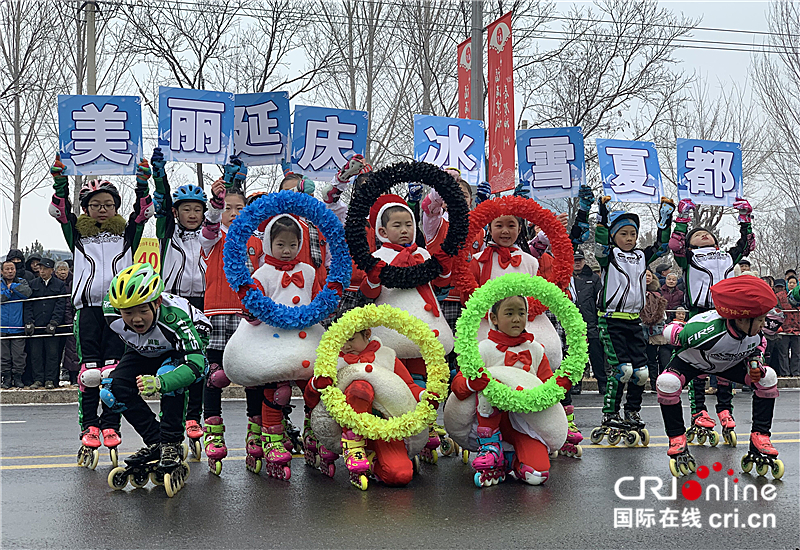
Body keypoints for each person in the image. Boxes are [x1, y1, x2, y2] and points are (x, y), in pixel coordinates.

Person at [48, 155, 153, 455]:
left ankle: (111, 425)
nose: (102, 209)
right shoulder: (78, 236)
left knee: (114, 372)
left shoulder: (127, 235)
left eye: (108, 204)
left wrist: (143, 182)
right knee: (89, 372)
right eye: (95, 205)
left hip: (120, 311)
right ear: (86, 209)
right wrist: (60, 179)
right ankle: (89, 426)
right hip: (88, 312)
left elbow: (143, 211)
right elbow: (60, 210)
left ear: (116, 207)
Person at [359, 194, 454, 460]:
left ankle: (428, 424)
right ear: (382, 230)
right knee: (402, 383)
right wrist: (376, 277)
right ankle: (408, 428)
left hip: (427, 326)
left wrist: (444, 268)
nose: (404, 230)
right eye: (397, 225)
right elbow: (369, 293)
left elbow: (440, 285)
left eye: (408, 225)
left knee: (429, 382)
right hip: (393, 333)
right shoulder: (377, 257)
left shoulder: (423, 254)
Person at [102, 263, 210, 493]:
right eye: (128, 312)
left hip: (179, 346)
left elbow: (198, 366)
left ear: (157, 302)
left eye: (142, 310)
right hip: (145, 348)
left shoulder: (175, 318)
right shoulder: (109, 313)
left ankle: (171, 441)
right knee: (111, 390)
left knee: (169, 376)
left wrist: (162, 383)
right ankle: (156, 441)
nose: (136, 319)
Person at [658, 276, 781, 476]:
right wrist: (677, 329)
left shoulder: (755, 332)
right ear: (742, 318)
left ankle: (761, 435)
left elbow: (758, 346)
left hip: (727, 364)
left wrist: (755, 363)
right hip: (692, 362)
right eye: (759, 320)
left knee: (768, 377)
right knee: (667, 382)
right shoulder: (707, 331)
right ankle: (677, 437)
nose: (762, 325)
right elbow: (670, 332)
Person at [449, 296, 572, 486]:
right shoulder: (482, 349)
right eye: (509, 313)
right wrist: (473, 383)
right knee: (491, 380)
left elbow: (548, 386)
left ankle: (510, 460)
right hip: (490, 419)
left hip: (525, 421)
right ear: (494, 318)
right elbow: (458, 386)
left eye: (521, 313)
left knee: (538, 475)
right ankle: (490, 446)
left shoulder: (536, 350)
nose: (516, 318)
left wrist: (560, 385)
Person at [668, 197, 754, 440]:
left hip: (727, 313)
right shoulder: (688, 257)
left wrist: (745, 218)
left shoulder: (727, 256)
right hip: (700, 313)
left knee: (727, 361)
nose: (704, 235)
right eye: (698, 234)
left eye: (707, 233)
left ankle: (725, 408)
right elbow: (675, 246)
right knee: (699, 364)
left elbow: (746, 245)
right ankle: (698, 411)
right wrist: (683, 218)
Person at [305, 328, 429, 488]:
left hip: (386, 426)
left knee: (400, 475)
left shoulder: (387, 356)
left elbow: (409, 385)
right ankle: (354, 445)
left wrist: (425, 396)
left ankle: (373, 464)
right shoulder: (330, 361)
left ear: (367, 334)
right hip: (346, 428)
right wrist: (315, 384)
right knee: (360, 387)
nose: (346, 346)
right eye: (341, 340)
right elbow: (311, 401)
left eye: (351, 339)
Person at [593, 196, 674, 441]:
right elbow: (599, 241)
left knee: (641, 373)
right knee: (623, 370)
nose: (629, 239)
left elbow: (662, 246)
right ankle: (610, 413)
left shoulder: (640, 256)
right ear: (614, 236)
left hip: (633, 321)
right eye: (623, 234)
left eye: (632, 234)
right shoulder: (608, 256)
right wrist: (602, 212)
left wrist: (665, 217)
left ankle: (632, 412)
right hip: (610, 320)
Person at [199, 174, 264, 474]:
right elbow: (210, 223)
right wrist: (214, 202)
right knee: (214, 376)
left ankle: (256, 429)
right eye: (229, 208)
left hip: (247, 317)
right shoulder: (212, 238)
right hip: (216, 314)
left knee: (253, 376)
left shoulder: (257, 241)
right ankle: (213, 431)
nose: (235, 213)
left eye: (240, 208)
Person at [151, 147, 207, 448]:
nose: (192, 214)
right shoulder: (167, 232)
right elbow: (161, 205)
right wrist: (159, 174)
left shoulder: (211, 235)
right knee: (172, 363)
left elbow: (224, 208)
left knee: (197, 363)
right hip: (172, 302)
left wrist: (235, 176)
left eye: (197, 210)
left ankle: (193, 417)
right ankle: (170, 417)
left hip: (201, 303)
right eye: (186, 209)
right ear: (178, 211)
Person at [23, 258, 67, 389]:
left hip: (52, 326)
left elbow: (61, 305)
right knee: (36, 355)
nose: (41, 271)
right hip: (36, 325)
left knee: (52, 354)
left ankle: (50, 380)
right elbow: (28, 305)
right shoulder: (32, 284)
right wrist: (29, 322)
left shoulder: (59, 285)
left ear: (51, 270)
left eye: (44, 269)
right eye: (40, 268)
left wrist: (55, 322)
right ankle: (38, 379)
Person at [569, 250, 607, 395]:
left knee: (596, 356)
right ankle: (576, 383)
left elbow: (599, 300)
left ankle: (602, 383)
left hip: (591, 322)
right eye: (574, 260)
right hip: (572, 323)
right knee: (576, 355)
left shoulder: (593, 277)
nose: (577, 263)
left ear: (584, 261)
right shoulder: (566, 277)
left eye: (580, 260)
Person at [1, 260, 31, 388]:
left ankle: (18, 377)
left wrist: (13, 287)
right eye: (7, 269)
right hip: (2, 326)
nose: (10, 271)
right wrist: (8, 292)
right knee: (3, 356)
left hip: (18, 326)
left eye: (12, 269)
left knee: (19, 355)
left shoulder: (21, 282)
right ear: (2, 271)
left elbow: (27, 294)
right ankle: (6, 378)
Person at [642, 269, 669, 390]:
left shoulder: (657, 294)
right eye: (645, 276)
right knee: (643, 358)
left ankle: (655, 384)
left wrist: (653, 319)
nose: (647, 278)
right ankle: (640, 384)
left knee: (655, 359)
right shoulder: (636, 292)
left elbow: (661, 312)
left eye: (649, 275)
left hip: (655, 330)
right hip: (640, 329)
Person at [54, 261, 79, 385]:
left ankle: (74, 376)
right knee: (56, 350)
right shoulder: (53, 282)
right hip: (56, 320)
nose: (63, 272)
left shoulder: (75, 281)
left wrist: (71, 322)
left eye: (65, 270)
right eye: (60, 270)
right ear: (55, 271)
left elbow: (70, 305)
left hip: (71, 320)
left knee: (73, 350)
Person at [775, 277, 800, 376]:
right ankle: (784, 373)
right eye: (790, 282)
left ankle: (796, 372)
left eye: (794, 283)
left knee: (797, 353)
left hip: (797, 329)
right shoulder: (780, 296)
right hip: (784, 329)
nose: (792, 285)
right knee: (783, 353)